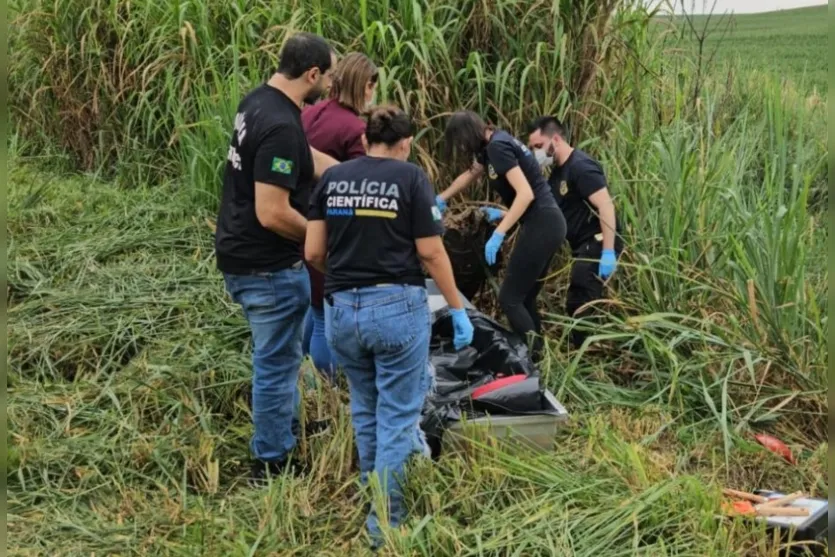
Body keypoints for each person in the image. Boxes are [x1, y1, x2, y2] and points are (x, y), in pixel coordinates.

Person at [305, 106, 474, 544]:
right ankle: (387, 526)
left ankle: (371, 493)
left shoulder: (333, 179)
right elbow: (432, 254)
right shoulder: (412, 178)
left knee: (365, 407)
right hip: (395, 310)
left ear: (364, 142)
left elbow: (312, 252)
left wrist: (346, 278)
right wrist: (457, 308)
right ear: (405, 144)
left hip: (341, 310)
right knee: (398, 417)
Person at [214, 32, 340, 484]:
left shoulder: (259, 102)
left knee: (283, 355)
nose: (330, 83)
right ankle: (272, 460)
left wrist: (349, 173)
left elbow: (301, 157)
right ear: (312, 74)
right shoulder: (283, 125)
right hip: (266, 266)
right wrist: (325, 241)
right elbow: (272, 212)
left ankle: (283, 430)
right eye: (328, 75)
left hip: (240, 252)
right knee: (276, 362)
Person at [437, 111, 566, 362]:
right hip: (548, 222)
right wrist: (442, 197)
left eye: (461, 143)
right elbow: (470, 174)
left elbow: (525, 194)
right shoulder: (493, 145)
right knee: (525, 297)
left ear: (468, 135)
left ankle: (535, 358)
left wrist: (499, 232)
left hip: (542, 222)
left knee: (509, 298)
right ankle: (539, 359)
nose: (463, 148)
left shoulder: (498, 147)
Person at [300, 52, 379, 379]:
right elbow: (363, 187)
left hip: (298, 221)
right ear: (365, 86)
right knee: (323, 315)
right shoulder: (355, 130)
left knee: (312, 305)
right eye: (373, 86)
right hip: (329, 227)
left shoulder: (309, 113)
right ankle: (326, 387)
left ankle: (303, 374)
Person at [526, 115, 622, 347]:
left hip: (598, 240)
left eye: (538, 146)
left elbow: (606, 206)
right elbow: (544, 208)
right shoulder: (558, 173)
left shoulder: (581, 167)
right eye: (532, 148)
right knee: (583, 296)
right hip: (582, 244)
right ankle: (589, 344)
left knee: (581, 296)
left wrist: (608, 251)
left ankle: (583, 352)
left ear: (556, 139)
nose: (535, 152)